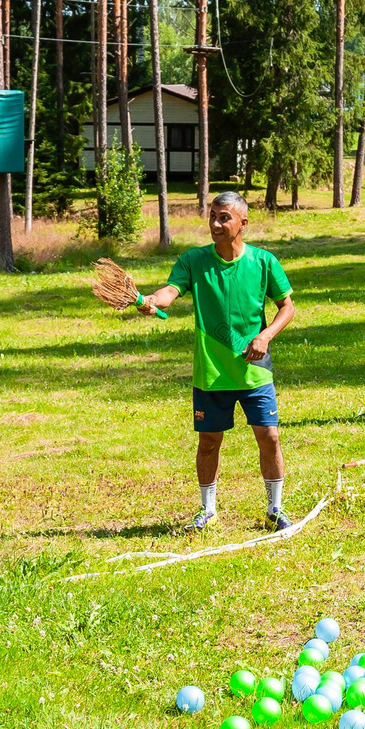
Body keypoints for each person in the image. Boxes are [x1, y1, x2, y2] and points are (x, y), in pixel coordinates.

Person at [138, 191, 297, 531]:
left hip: (254, 369)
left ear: (243, 222)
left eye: (224, 217)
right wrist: (154, 300)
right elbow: (170, 291)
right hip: (211, 372)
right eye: (212, 216)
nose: (215, 224)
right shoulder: (194, 260)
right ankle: (207, 510)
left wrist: (265, 336)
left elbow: (287, 306)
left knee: (269, 436)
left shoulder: (263, 261)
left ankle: (275, 509)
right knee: (209, 441)